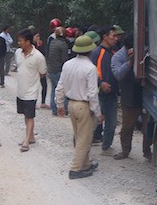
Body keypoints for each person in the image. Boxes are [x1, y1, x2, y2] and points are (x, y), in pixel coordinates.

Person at [55, 35, 103, 179]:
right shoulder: (90, 68)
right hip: (84, 106)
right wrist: (98, 112)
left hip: (71, 104)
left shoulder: (67, 64)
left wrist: (59, 104)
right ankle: (75, 169)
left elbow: (60, 87)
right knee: (84, 139)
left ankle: (86, 163)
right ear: (90, 50)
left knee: (79, 135)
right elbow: (93, 93)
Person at [111, 32, 151, 160]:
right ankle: (125, 150)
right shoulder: (118, 56)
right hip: (129, 96)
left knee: (147, 126)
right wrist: (130, 62)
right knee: (127, 126)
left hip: (145, 95)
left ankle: (147, 151)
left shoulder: (146, 53)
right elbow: (117, 74)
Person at [15, 28, 47, 152]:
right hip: (20, 90)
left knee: (30, 117)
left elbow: (43, 73)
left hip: (31, 92)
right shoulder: (18, 53)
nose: (19, 43)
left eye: (21, 41)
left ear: (28, 42)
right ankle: (31, 136)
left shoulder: (38, 56)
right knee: (25, 115)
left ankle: (26, 141)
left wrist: (33, 81)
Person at [89, 26, 119, 154]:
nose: (116, 39)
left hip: (112, 94)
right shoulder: (97, 53)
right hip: (99, 94)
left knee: (111, 123)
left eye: (117, 36)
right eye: (113, 36)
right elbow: (90, 72)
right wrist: (101, 83)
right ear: (105, 37)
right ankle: (84, 145)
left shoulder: (114, 52)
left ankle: (106, 147)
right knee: (94, 121)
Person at [46, 26, 69, 116]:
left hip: (51, 70)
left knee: (53, 90)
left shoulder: (52, 42)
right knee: (64, 91)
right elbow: (64, 60)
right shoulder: (63, 45)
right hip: (59, 70)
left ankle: (54, 109)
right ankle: (64, 109)